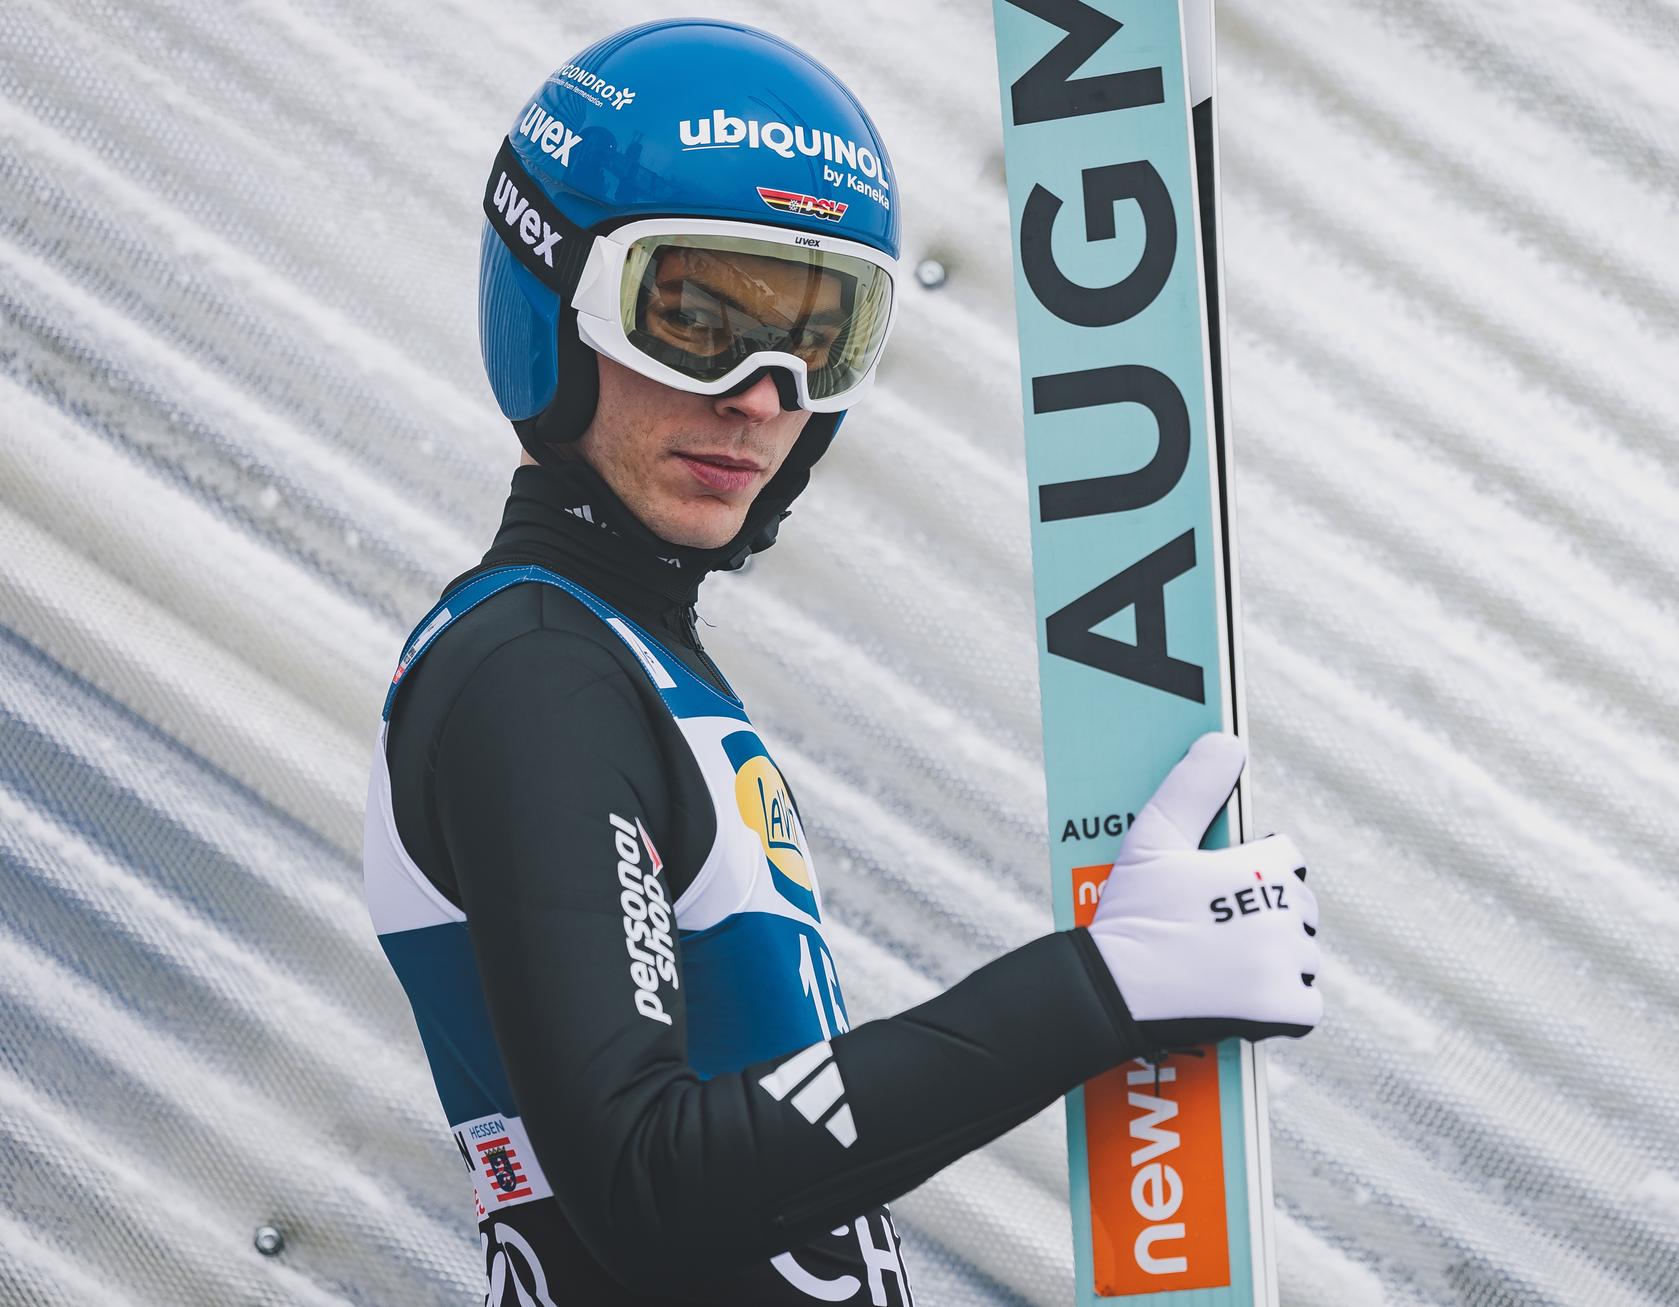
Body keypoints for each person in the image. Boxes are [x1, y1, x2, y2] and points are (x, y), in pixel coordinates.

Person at [362, 19, 1323, 1306]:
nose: (762, 395)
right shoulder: (533, 677)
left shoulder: (627, 667)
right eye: (692, 316)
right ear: (556, 295)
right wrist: (1096, 987)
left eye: (819, 336)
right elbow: (650, 1182)